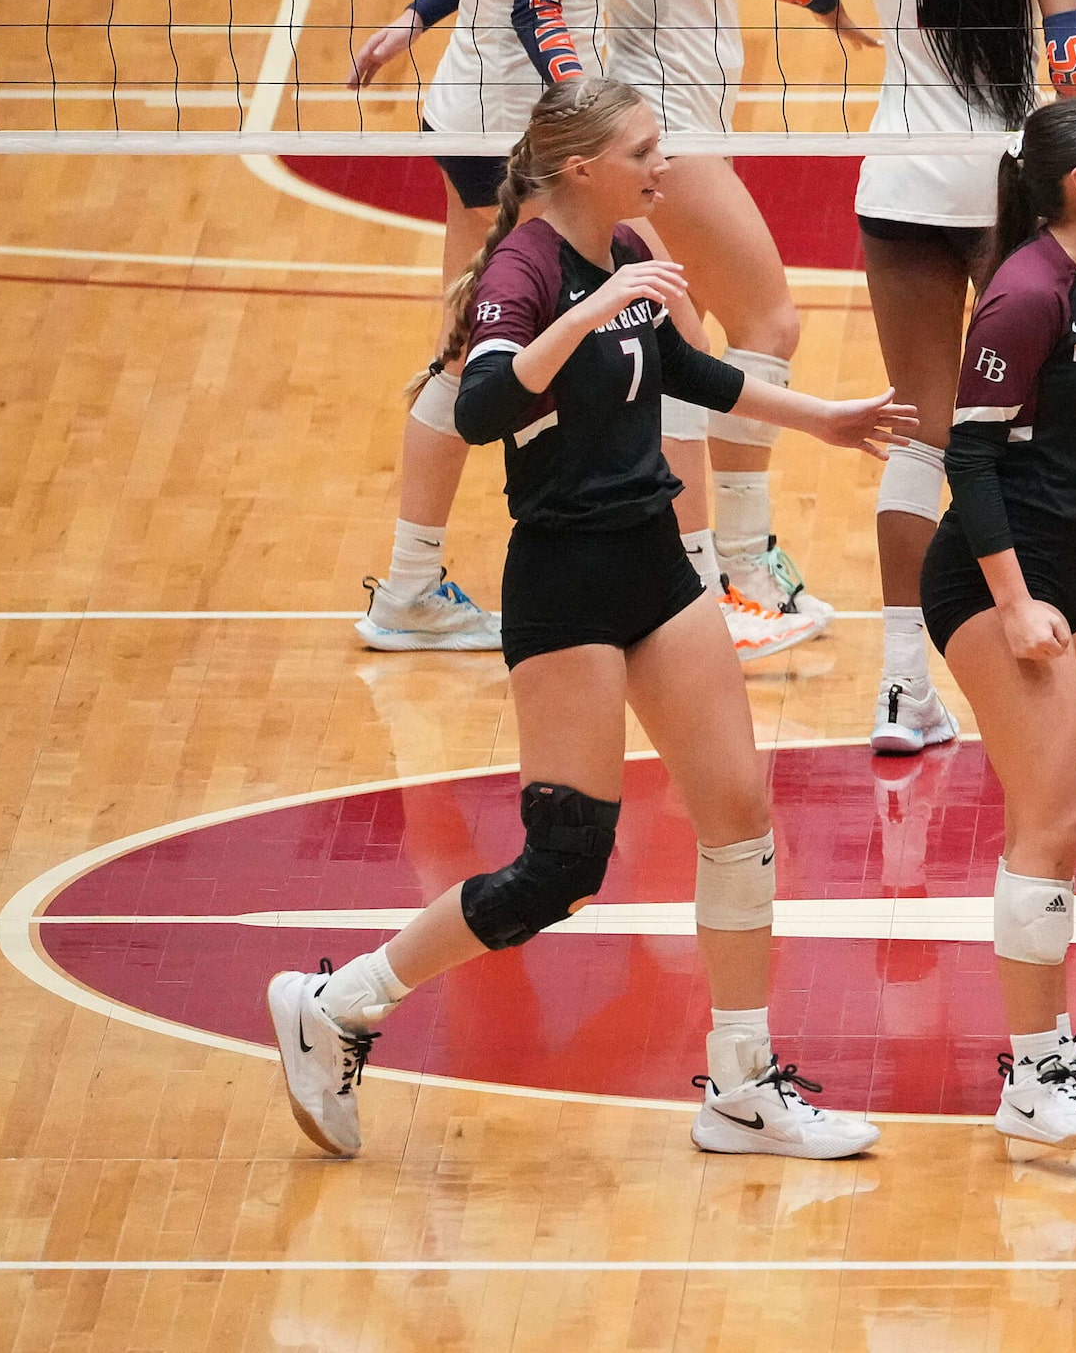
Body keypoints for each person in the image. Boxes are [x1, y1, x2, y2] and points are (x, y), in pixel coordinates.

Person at [269, 78, 913, 1163]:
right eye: (643, 150)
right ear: (578, 166)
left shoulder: (626, 248)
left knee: (740, 816)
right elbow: (479, 411)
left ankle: (744, 1085)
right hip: (563, 581)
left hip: (655, 567)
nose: (663, 167)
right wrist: (591, 310)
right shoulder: (526, 268)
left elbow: (696, 374)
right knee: (563, 862)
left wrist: (828, 419)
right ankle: (342, 1005)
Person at [371, 0, 880, 660]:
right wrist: (422, 11)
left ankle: (410, 583)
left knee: (462, 349)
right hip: (640, 127)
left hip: (637, 119)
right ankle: (726, 571)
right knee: (741, 326)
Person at [722, 0, 1076, 754]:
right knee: (1032, 426)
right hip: (1000, 181)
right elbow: (1069, 62)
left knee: (919, 433)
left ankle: (901, 691)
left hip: (895, 173)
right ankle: (1046, 639)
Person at [345, 0, 630, 651]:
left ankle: (416, 587)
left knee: (472, 347)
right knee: (547, 342)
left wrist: (411, 17)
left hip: (472, 114)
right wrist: (582, 114)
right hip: (519, 134)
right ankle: (441, 587)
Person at [917, 96, 1076, 1151]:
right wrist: (1016, 603)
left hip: (1063, 574)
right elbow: (968, 459)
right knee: (1052, 823)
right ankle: (1033, 1070)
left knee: (1065, 822)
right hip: (988, 578)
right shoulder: (1022, 296)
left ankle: (1049, 1052)